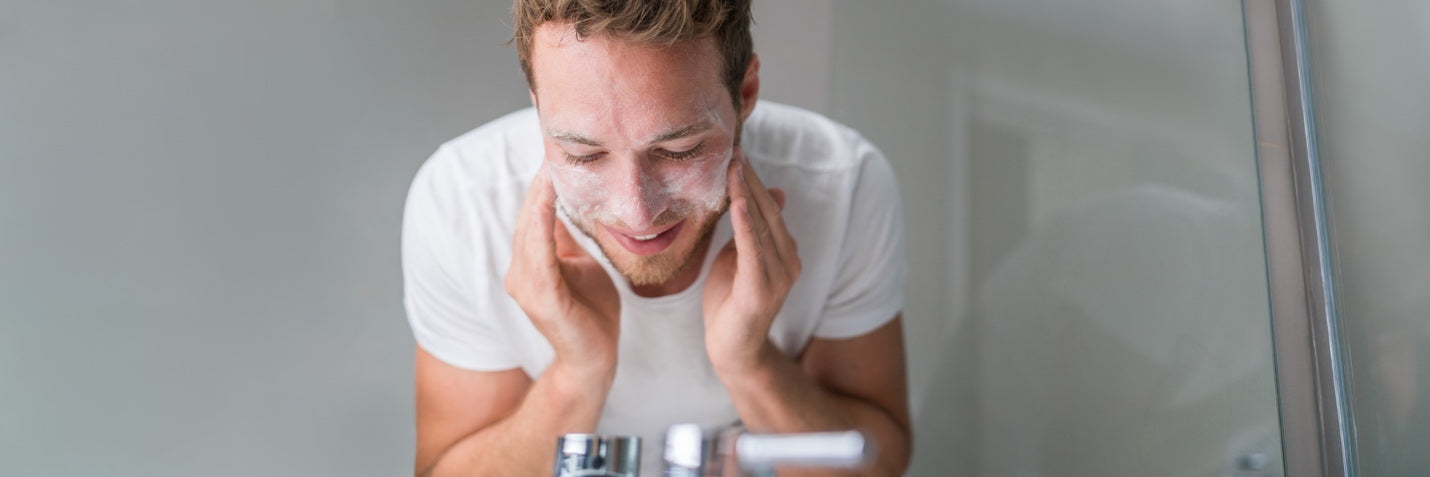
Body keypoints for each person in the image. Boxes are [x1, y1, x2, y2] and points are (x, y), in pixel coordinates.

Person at [401, 1, 910, 475]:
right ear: (539, 110)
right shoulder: (461, 201)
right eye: (583, 155)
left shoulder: (840, 182)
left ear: (746, 94)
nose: (636, 213)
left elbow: (878, 463)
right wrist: (576, 376)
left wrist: (751, 363)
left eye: (680, 149)